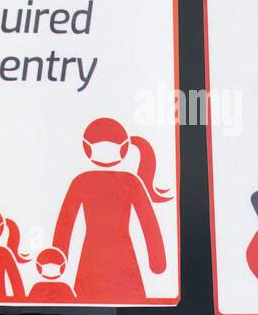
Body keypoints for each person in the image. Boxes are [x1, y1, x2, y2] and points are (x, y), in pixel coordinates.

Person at [52, 117, 171, 301]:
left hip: (110, 255)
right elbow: (66, 222)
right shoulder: (85, 181)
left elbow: (64, 224)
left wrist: (57, 257)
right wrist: (157, 262)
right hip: (101, 256)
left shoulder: (124, 181)